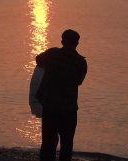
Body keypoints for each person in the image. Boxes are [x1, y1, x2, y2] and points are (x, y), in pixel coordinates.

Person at [33, 29, 88, 161]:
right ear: (77, 43)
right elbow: (79, 81)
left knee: (48, 143)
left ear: (62, 41)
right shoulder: (80, 62)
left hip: (50, 106)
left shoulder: (52, 54)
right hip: (68, 108)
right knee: (67, 144)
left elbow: (38, 60)